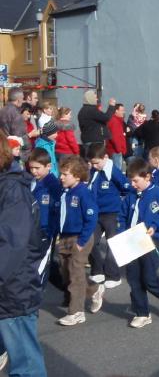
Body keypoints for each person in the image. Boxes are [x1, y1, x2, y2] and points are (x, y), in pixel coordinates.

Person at [0, 131, 48, 376]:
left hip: (12, 292)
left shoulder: (11, 190)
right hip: (9, 290)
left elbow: (13, 244)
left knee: (26, 367)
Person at [118, 158, 159, 328]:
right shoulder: (131, 196)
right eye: (130, 180)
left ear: (147, 178)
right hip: (131, 240)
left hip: (151, 240)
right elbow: (122, 216)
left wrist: (155, 227)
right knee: (134, 279)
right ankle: (142, 313)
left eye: (136, 180)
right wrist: (121, 233)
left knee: (149, 277)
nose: (132, 184)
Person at [56, 155, 104, 325]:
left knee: (76, 274)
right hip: (65, 237)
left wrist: (81, 241)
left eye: (65, 174)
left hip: (80, 237)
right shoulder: (65, 192)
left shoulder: (83, 193)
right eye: (61, 173)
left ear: (77, 176)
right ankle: (94, 288)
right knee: (66, 272)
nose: (61, 177)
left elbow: (91, 218)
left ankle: (76, 312)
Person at [87, 143, 131, 288]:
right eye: (92, 163)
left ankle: (113, 275)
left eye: (97, 163)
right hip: (96, 214)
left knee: (113, 244)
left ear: (105, 157)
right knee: (89, 241)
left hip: (112, 213)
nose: (94, 166)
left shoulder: (113, 171)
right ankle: (97, 269)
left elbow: (126, 187)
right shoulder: (94, 173)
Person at [28, 148, 64, 291]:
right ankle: (78, 290)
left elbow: (56, 211)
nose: (34, 171)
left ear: (48, 166)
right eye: (31, 168)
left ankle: (37, 295)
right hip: (33, 229)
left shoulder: (53, 185)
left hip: (46, 230)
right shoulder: (32, 182)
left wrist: (53, 231)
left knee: (42, 264)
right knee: (45, 264)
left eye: (37, 168)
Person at [0, 88, 29, 159]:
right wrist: (25, 156)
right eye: (22, 98)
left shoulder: (2, 110)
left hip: (4, 150)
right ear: (18, 100)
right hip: (15, 153)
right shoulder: (16, 114)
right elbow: (20, 137)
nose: (23, 101)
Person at [106, 103, 127, 170]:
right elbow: (115, 137)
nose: (123, 112)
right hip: (115, 151)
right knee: (117, 171)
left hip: (115, 151)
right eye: (122, 110)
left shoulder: (117, 121)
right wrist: (119, 150)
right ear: (116, 111)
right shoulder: (114, 121)